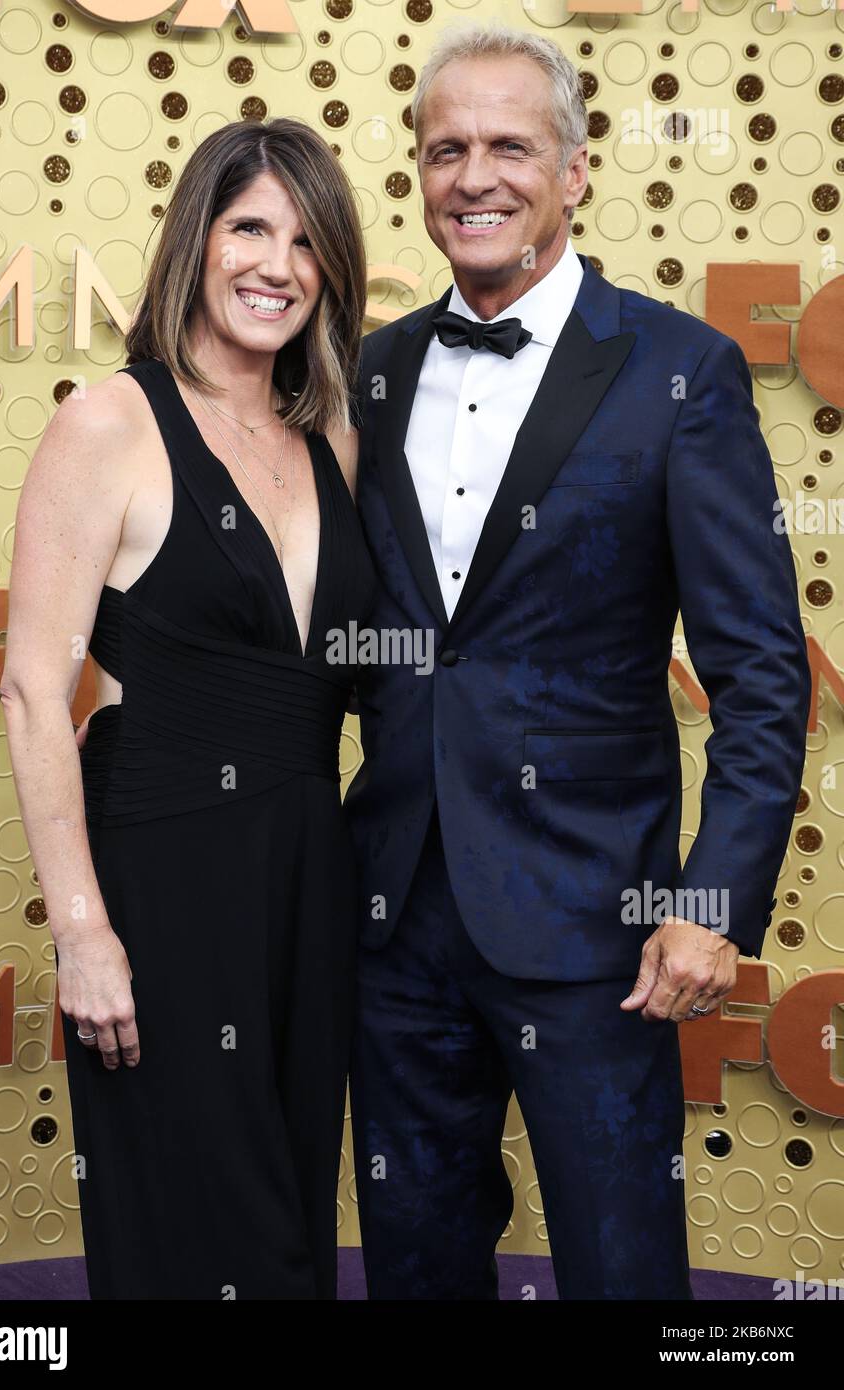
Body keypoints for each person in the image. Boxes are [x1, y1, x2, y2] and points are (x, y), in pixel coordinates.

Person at [345, 23, 811, 1300]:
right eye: (446, 149)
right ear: (419, 172)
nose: (474, 177)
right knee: (414, 1268)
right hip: (394, 916)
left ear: (575, 168)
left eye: (509, 145)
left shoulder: (678, 370)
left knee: (621, 1272)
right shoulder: (369, 375)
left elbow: (763, 670)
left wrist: (708, 902)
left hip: (601, 931)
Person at [2, 118, 375, 1299]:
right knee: (194, 1226)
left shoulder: (333, 440)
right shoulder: (109, 422)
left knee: (288, 1224)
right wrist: (81, 932)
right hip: (162, 880)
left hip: (309, 877)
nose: (277, 264)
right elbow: (28, 689)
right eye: (250, 228)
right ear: (195, 245)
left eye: (307, 242)